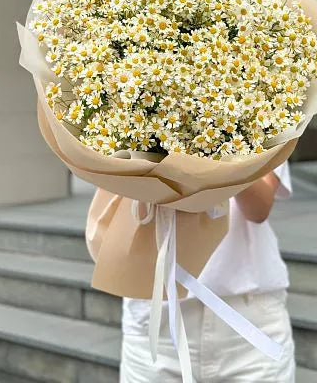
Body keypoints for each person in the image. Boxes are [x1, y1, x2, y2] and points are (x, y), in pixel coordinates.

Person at [120, 162, 295, 382]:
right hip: (157, 318)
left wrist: (224, 143)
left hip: (248, 326)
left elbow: (259, 208)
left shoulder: (263, 127)